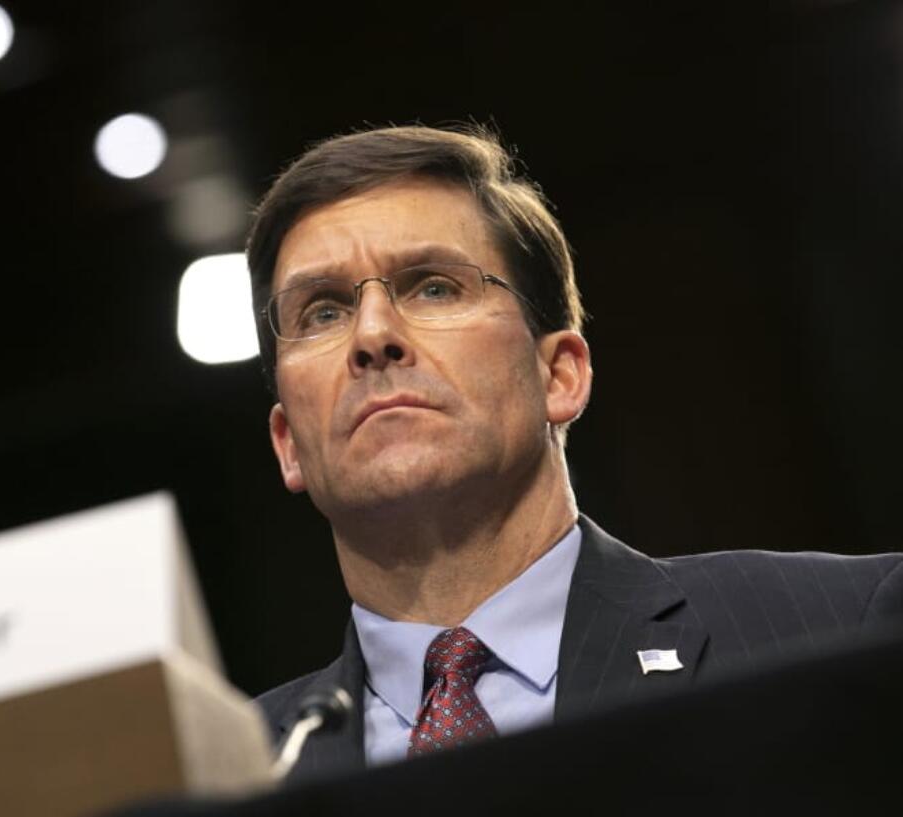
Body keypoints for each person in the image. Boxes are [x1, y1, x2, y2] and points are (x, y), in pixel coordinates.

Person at [245, 125, 903, 783]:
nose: (373, 333)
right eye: (322, 312)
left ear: (559, 374)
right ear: (289, 442)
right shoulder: (225, 772)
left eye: (434, 286)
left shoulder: (844, 626)